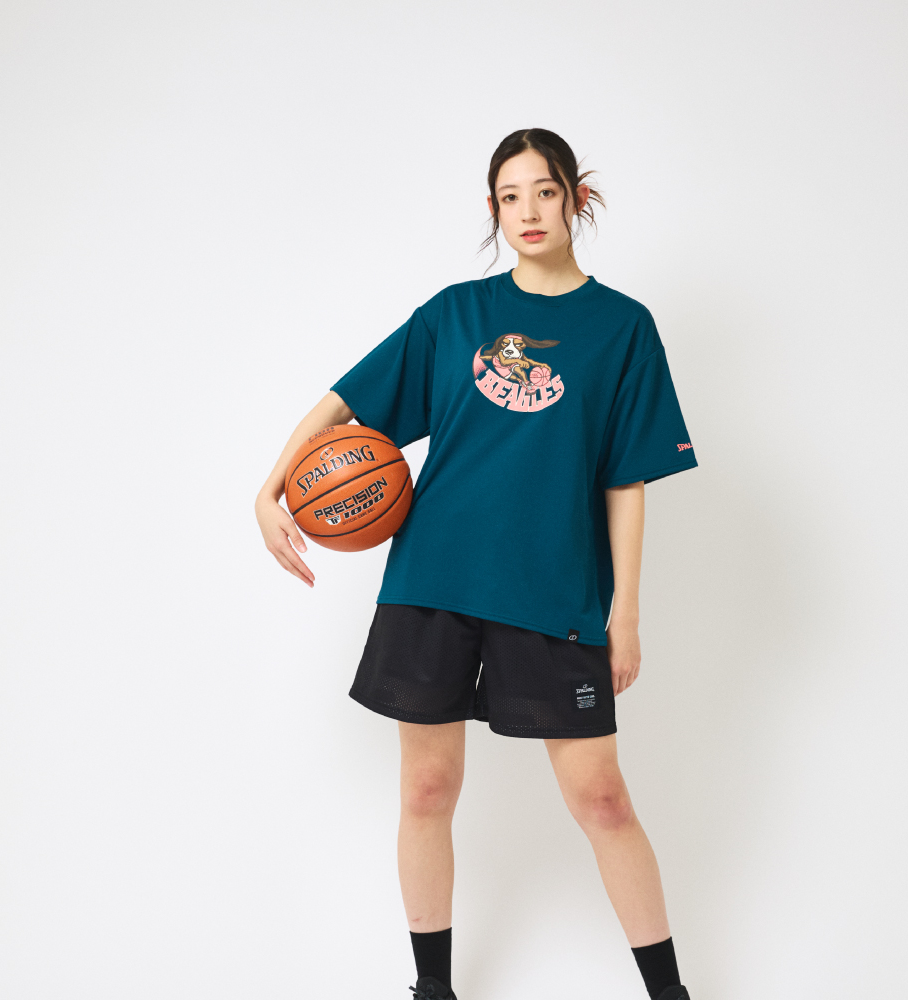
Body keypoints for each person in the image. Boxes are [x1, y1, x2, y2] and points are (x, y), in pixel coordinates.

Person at [255, 128, 697, 1000]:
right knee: (426, 789)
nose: (528, 211)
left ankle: (671, 993)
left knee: (603, 800)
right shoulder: (455, 314)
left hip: (554, 591)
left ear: (576, 197)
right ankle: (433, 990)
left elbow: (626, 479)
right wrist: (269, 488)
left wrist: (626, 612)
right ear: (493, 209)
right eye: (509, 196)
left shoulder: (623, 329)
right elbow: (347, 400)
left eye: (544, 191)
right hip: (434, 583)